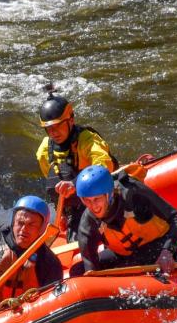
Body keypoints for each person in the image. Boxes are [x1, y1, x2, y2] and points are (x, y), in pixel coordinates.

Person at [70, 164, 177, 276]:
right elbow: (91, 268)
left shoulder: (133, 194)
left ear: (109, 194)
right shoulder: (88, 223)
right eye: (87, 200)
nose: (93, 206)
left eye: (97, 199)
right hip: (125, 256)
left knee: (142, 259)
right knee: (78, 270)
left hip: (158, 247)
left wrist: (167, 251)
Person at [35, 86, 117, 239]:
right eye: (48, 128)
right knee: (75, 238)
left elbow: (105, 165)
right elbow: (54, 183)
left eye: (58, 125)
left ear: (71, 120)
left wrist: (75, 184)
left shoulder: (87, 139)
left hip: (103, 196)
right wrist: (64, 212)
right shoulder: (44, 150)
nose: (53, 132)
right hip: (77, 204)